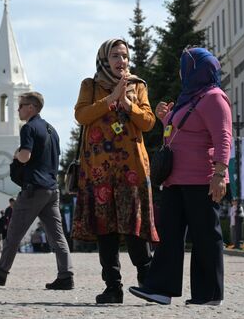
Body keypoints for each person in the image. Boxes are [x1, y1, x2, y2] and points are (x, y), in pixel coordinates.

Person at [129, 47, 231, 306]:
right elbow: (178, 136)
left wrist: (219, 174)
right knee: (170, 235)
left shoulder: (214, 97)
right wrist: (165, 121)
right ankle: (160, 289)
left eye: (184, 66)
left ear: (196, 70)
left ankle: (208, 294)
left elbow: (223, 138)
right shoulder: (189, 97)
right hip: (174, 179)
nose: (180, 71)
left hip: (201, 179)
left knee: (205, 236)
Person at [74, 38, 158, 304]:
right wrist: (110, 99)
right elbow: (81, 116)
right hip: (98, 169)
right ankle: (113, 287)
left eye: (124, 56)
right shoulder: (91, 85)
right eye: (115, 56)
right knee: (105, 229)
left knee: (134, 226)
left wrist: (127, 103)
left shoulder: (138, 85)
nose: (121, 61)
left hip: (131, 168)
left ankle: (148, 281)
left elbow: (148, 122)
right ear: (104, 59)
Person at [0, 92, 74, 290]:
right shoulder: (51, 129)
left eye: (21, 106)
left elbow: (25, 156)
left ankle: (0, 271)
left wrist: (15, 156)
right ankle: (66, 275)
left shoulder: (28, 127)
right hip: (52, 189)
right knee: (57, 235)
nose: (18, 109)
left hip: (34, 189)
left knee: (13, 232)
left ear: (31, 107)